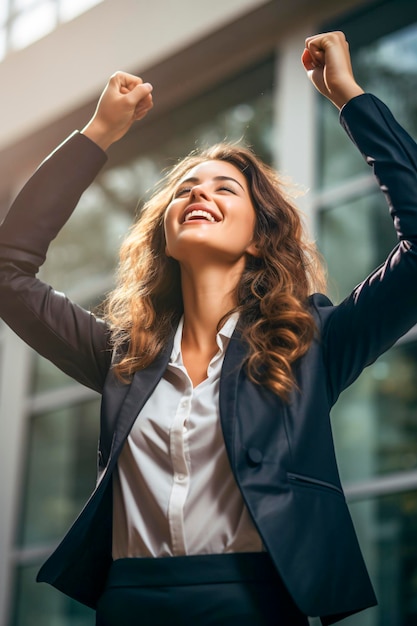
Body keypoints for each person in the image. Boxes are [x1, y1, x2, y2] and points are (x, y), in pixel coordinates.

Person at [1, 30, 417, 626]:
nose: (198, 193)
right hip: (129, 603)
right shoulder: (123, 359)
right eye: (185, 190)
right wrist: (96, 137)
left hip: (255, 605)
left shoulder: (312, 346)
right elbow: (8, 272)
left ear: (258, 237)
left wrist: (350, 98)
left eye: (225, 188)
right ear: (164, 235)